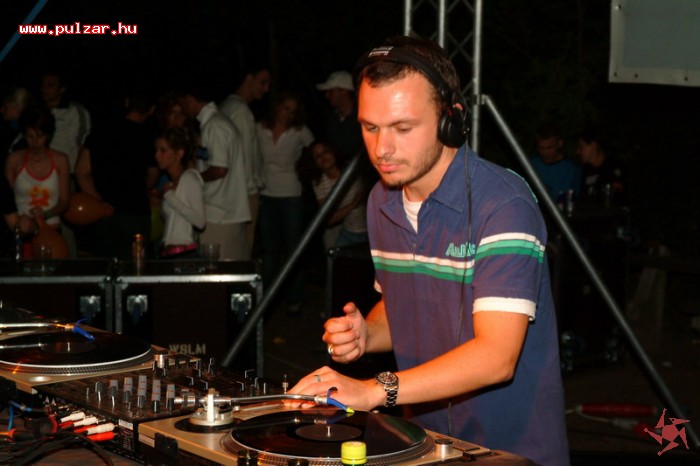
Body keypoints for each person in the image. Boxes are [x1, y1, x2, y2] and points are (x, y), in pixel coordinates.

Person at [288, 36, 569, 466]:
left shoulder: (503, 206)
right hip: (424, 443)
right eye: (370, 127)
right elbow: (403, 307)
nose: (382, 149)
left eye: (403, 128)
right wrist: (367, 333)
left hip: (510, 450)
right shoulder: (381, 200)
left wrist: (374, 390)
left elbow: (496, 357)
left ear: (450, 120)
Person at [74, 92, 158, 259]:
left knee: (105, 267)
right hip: (136, 214)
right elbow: (153, 175)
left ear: (127, 102)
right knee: (135, 267)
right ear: (152, 109)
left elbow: (81, 172)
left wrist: (98, 201)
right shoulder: (148, 138)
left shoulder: (100, 132)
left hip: (103, 215)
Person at [257, 91, 314, 312]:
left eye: (293, 111)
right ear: (277, 106)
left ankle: (295, 297)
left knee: (293, 248)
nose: (288, 114)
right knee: (269, 251)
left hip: (291, 194)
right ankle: (267, 299)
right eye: (285, 108)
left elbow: (316, 152)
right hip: (266, 194)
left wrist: (309, 173)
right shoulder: (259, 128)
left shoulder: (300, 131)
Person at [178, 86, 250, 261]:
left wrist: (194, 179)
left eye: (182, 104)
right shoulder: (213, 123)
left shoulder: (215, 125)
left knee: (219, 270)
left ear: (189, 99)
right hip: (220, 213)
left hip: (221, 215)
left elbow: (219, 169)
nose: (182, 110)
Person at [219, 65, 271, 255]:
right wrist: (251, 192)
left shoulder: (227, 105)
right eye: (262, 82)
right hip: (244, 192)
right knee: (243, 249)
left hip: (231, 191)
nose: (266, 89)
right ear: (249, 78)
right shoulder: (240, 110)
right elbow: (246, 156)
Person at [5, 106, 71, 253]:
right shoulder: (14, 160)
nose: (35, 142)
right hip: (22, 231)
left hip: (51, 229)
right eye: (30, 136)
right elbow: (6, 199)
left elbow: (64, 202)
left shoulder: (60, 160)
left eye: (40, 136)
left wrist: (45, 215)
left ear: (48, 135)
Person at [300, 140, 367, 250]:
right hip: (349, 232)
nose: (323, 157)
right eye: (317, 156)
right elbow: (327, 219)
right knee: (334, 256)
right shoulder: (319, 183)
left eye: (325, 151)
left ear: (333, 152)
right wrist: (352, 204)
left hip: (372, 232)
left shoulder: (351, 168)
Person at [154, 127, 205, 258]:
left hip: (184, 255)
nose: (157, 155)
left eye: (163, 150)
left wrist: (170, 197)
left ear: (179, 153)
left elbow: (200, 221)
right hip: (169, 253)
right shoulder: (171, 182)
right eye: (156, 150)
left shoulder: (189, 179)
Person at [316, 71, 364, 161]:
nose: (327, 95)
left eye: (331, 91)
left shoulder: (364, 117)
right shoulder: (332, 121)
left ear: (343, 91)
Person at [530, 121, 581, 202]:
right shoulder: (531, 164)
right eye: (541, 148)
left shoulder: (571, 169)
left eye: (549, 148)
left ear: (559, 143)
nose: (545, 153)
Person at [576, 126, 625, 205]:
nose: (577, 151)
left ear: (593, 145)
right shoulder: (584, 170)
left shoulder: (612, 168)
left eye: (581, 146)